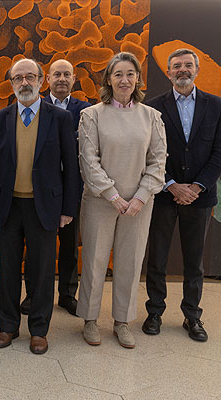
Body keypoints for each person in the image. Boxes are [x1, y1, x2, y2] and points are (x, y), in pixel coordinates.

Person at [0, 58, 79, 354]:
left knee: (42, 271)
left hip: (45, 206)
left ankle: (39, 329)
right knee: (8, 268)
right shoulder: (0, 118)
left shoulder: (60, 118)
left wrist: (68, 209)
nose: (24, 83)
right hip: (9, 205)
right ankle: (8, 325)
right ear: (11, 83)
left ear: (41, 80)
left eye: (29, 77)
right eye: (18, 78)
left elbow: (71, 167)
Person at [77, 52, 167, 349]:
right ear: (108, 79)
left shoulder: (151, 117)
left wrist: (140, 197)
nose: (124, 80)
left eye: (130, 74)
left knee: (130, 261)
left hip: (139, 204)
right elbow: (88, 161)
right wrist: (113, 195)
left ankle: (122, 322)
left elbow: (158, 162)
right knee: (94, 261)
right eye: (118, 74)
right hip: (101, 200)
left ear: (138, 79)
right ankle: (90, 319)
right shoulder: (92, 115)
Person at [143, 48, 221, 342]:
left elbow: (219, 153)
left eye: (188, 65)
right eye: (176, 66)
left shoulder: (216, 106)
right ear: (168, 72)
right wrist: (172, 185)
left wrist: (197, 186)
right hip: (164, 194)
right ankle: (154, 312)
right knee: (157, 257)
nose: (182, 70)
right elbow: (148, 153)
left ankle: (192, 315)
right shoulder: (152, 108)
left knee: (194, 261)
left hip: (200, 197)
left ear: (197, 70)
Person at [21, 59, 91, 317]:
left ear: (74, 78)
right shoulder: (34, 107)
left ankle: (67, 294)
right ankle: (33, 293)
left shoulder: (86, 110)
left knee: (70, 245)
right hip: (40, 188)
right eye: (57, 74)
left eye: (66, 74)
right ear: (47, 79)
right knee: (36, 245)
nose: (62, 79)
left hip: (72, 187)